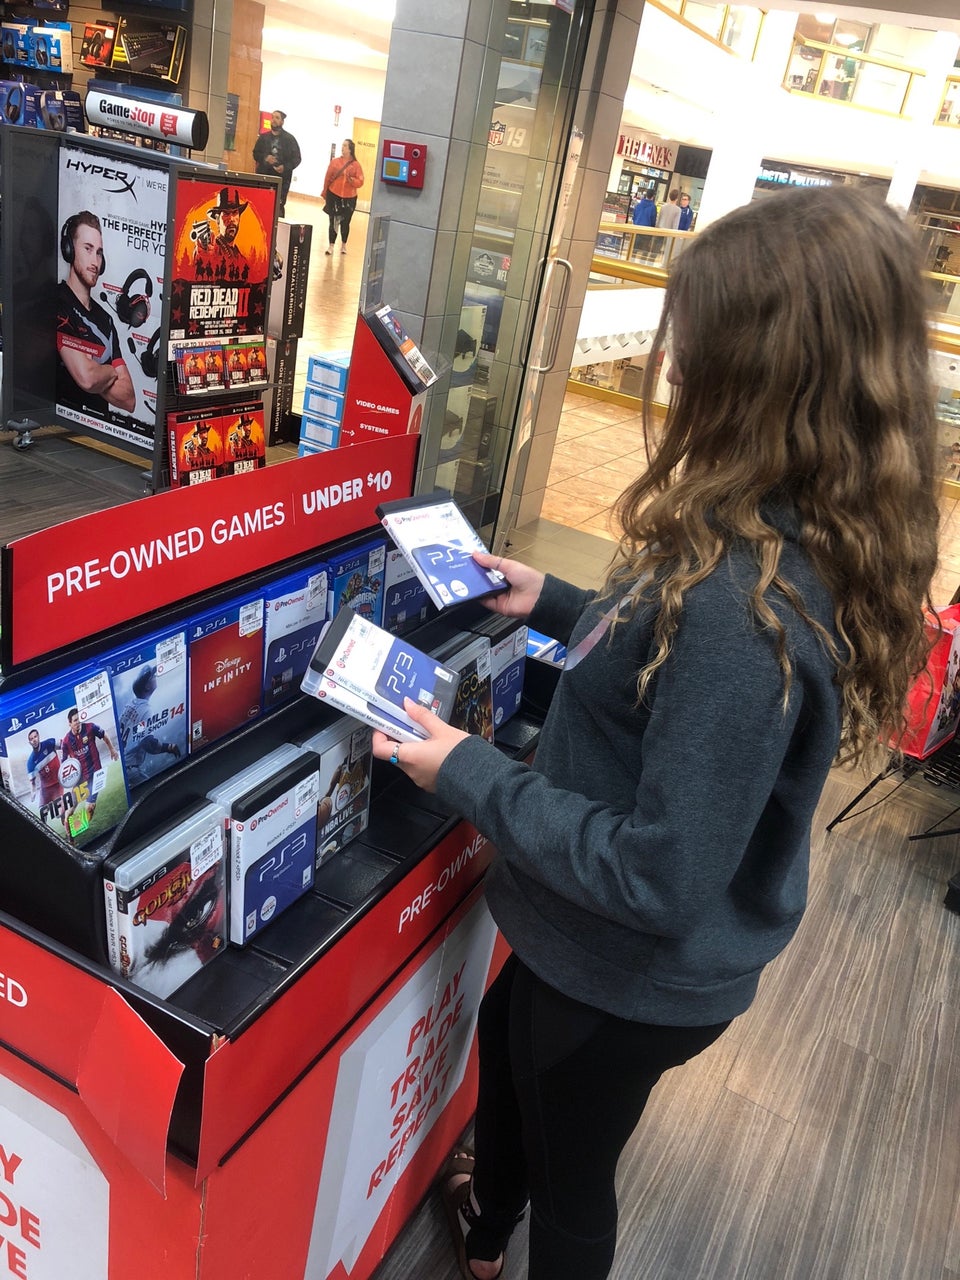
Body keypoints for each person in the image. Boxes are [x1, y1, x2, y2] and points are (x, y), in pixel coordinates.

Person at [369, 184, 941, 1280]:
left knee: (573, 1176)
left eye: (700, 346)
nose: (671, 368)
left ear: (769, 378)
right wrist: (556, 603)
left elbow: (660, 873)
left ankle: (504, 1225)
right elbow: (664, 668)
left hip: (623, 969)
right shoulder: (773, 533)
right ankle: (485, 1225)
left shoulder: (743, 607)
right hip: (588, 950)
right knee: (512, 1058)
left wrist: (468, 769)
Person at [56, 211, 136, 416]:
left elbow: (129, 398)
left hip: (98, 429)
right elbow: (88, 379)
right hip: (63, 425)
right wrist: (111, 371)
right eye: (88, 249)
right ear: (69, 249)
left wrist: (95, 369)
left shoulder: (106, 320)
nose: (95, 262)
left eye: (99, 252)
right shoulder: (57, 304)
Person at [118, 664, 182, 787]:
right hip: (130, 768)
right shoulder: (146, 710)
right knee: (155, 789)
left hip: (122, 767)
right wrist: (169, 747)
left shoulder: (130, 705)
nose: (155, 677)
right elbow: (149, 744)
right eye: (153, 676)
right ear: (147, 686)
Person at [61, 707, 119, 833]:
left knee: (90, 808)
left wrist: (112, 749)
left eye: (79, 719)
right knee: (70, 811)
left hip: (95, 774)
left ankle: (74, 830)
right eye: (75, 720)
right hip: (80, 779)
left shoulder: (90, 728)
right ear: (69, 723)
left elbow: (104, 735)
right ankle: (69, 835)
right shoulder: (66, 741)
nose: (78, 722)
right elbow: (64, 763)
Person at [252, 110, 302, 218]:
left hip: (282, 181)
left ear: (282, 122)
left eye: (277, 118)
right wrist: (265, 158)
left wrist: (285, 167)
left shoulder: (290, 140)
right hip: (264, 178)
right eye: (272, 117)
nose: (274, 120)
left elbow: (297, 158)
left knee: (277, 209)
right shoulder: (263, 138)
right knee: (260, 207)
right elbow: (255, 153)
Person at [192, 188, 250, 281]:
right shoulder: (212, 247)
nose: (231, 219)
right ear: (217, 219)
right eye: (226, 213)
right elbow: (201, 259)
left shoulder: (240, 256)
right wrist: (204, 256)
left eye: (235, 213)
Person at [322, 139, 364, 255]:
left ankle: (344, 244)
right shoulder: (335, 162)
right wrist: (325, 191)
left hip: (349, 198)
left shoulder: (356, 165)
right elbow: (327, 177)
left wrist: (352, 181)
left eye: (345, 146)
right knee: (333, 221)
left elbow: (361, 181)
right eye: (342, 145)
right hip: (334, 194)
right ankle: (331, 245)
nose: (342, 147)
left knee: (345, 222)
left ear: (350, 149)